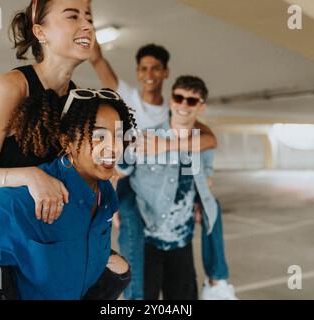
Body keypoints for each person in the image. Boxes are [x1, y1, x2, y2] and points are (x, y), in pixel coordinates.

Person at [0, 0, 128, 300]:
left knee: (117, 269)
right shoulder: (13, 86)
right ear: (41, 31)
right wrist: (31, 177)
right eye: (73, 16)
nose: (87, 25)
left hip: (30, 225)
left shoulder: (77, 100)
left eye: (89, 17)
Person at [0, 90, 135, 300]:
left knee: (122, 273)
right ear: (66, 141)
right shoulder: (28, 200)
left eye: (117, 136)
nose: (113, 147)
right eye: (98, 136)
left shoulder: (105, 195)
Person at [91, 43, 237, 299]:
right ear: (172, 100)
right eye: (179, 98)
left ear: (200, 106)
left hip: (181, 239)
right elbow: (120, 171)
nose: (184, 105)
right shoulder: (142, 126)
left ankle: (218, 281)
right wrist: (112, 205)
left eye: (191, 101)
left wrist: (200, 199)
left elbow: (206, 167)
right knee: (139, 296)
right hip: (147, 235)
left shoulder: (199, 140)